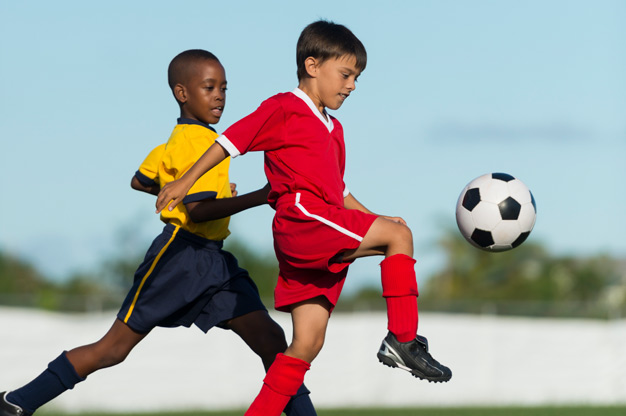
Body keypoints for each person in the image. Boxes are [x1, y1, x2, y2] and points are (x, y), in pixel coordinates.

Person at [155, 22, 452, 416]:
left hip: (318, 224)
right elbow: (230, 141)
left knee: (306, 345)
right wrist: (186, 180)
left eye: (357, 78)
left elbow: (339, 191)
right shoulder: (284, 108)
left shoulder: (334, 128)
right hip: (303, 220)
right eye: (345, 74)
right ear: (312, 65)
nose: (351, 85)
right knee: (401, 237)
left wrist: (376, 217)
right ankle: (403, 340)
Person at [0, 49, 316, 416]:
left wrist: (179, 191)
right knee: (112, 349)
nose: (219, 96)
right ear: (182, 93)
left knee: (271, 339)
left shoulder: (185, 141)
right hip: (177, 259)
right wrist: (259, 197)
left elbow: (141, 179)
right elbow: (196, 211)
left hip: (214, 261)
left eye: (224, 89)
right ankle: (17, 402)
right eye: (209, 87)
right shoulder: (196, 144)